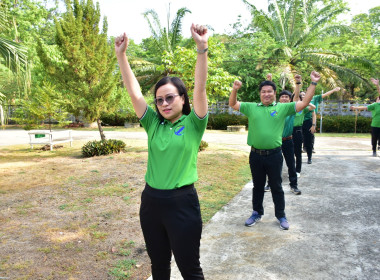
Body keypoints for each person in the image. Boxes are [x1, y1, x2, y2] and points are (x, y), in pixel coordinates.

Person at [115, 23, 208, 280]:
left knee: (190, 268)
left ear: (183, 99)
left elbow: (200, 88)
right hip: (152, 203)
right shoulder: (153, 124)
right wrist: (121, 56)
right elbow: (134, 93)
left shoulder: (193, 123)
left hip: (182, 204)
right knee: (159, 267)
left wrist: (202, 50)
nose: (164, 103)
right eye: (159, 99)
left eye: (170, 97)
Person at [229, 71, 321, 230]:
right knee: (257, 186)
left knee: (276, 186)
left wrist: (313, 83)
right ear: (260, 94)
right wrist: (235, 89)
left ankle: (281, 215)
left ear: (274, 93)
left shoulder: (283, 108)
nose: (266, 94)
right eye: (263, 91)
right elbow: (233, 103)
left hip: (274, 155)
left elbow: (305, 103)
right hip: (256, 155)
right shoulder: (251, 107)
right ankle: (256, 212)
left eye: (269, 91)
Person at [302, 86, 341, 164]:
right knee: (300, 139)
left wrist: (333, 90)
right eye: (308, 90)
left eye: (312, 90)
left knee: (310, 138)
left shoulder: (315, 98)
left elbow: (325, 94)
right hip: (299, 122)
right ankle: (303, 150)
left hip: (309, 120)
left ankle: (309, 156)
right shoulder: (301, 98)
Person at [292, 76, 316, 177]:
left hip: (298, 130)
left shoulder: (302, 109)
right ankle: (291, 170)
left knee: (298, 152)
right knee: (289, 153)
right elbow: (295, 97)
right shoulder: (289, 108)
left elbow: (313, 107)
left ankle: (297, 170)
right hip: (288, 132)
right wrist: (298, 84)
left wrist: (305, 102)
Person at [350, 78, 380, 157]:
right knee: (374, 139)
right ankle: (374, 151)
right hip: (375, 125)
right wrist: (355, 108)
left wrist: (377, 85)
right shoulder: (375, 105)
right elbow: (364, 107)